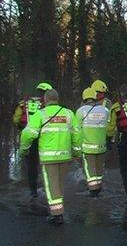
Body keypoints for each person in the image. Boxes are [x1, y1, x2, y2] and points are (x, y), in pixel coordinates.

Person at [19, 89, 81, 225]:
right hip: (65, 157)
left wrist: (24, 149)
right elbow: (77, 134)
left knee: (51, 186)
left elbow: (27, 134)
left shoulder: (40, 114)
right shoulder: (69, 113)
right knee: (58, 185)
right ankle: (57, 210)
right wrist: (77, 152)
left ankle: (57, 215)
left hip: (49, 159)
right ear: (57, 99)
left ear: (45, 100)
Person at [13, 82, 53, 197]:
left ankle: (33, 191)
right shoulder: (47, 104)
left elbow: (16, 119)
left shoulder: (24, 103)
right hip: (44, 137)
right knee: (47, 162)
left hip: (28, 137)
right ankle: (49, 188)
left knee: (31, 165)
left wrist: (20, 128)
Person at [76, 88, 109, 197]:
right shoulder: (105, 110)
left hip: (87, 148)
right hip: (102, 147)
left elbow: (76, 130)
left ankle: (93, 193)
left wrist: (75, 148)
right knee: (99, 171)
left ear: (84, 98)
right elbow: (110, 128)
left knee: (90, 172)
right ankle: (98, 189)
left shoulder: (81, 111)